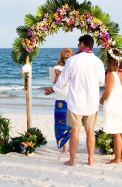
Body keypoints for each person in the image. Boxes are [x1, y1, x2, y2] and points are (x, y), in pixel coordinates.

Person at [44, 35, 105, 166]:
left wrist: (51, 90)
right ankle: (90, 160)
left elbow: (62, 81)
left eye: (78, 44)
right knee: (90, 131)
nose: (78, 46)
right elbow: (101, 82)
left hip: (75, 102)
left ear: (82, 44)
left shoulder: (72, 60)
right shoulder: (98, 61)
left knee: (75, 131)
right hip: (91, 102)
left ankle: (72, 161)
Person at [100, 48, 122, 164]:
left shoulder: (112, 74)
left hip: (113, 103)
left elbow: (108, 92)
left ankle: (117, 159)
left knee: (116, 132)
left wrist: (101, 100)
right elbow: (121, 89)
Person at [52, 48, 74, 153]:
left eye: (69, 57)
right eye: (65, 58)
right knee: (61, 123)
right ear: (62, 58)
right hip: (61, 98)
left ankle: (72, 147)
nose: (67, 59)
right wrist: (57, 76)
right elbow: (55, 85)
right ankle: (64, 147)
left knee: (71, 123)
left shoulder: (74, 67)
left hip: (72, 98)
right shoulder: (58, 68)